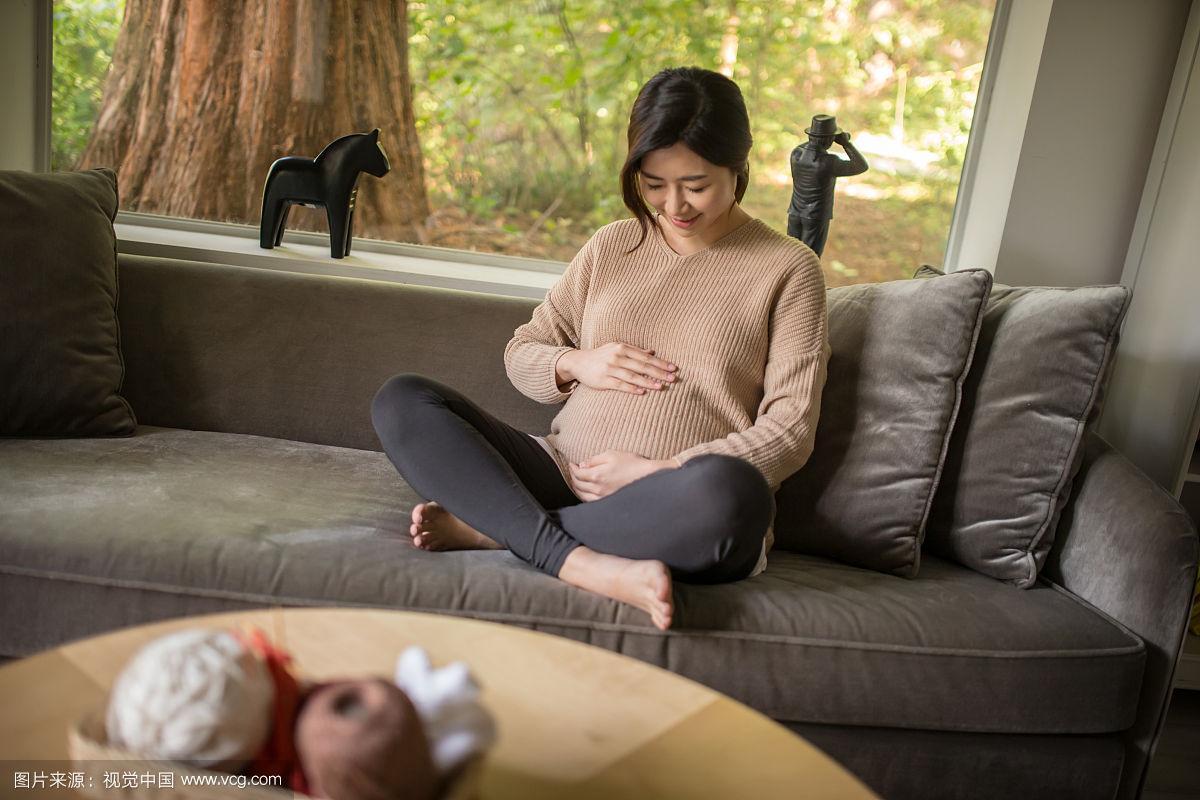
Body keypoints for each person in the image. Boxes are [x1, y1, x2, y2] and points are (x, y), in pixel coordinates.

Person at [371, 66, 830, 631]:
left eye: (697, 184)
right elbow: (524, 350)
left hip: (676, 502)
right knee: (404, 399)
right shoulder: (613, 245)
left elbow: (790, 428)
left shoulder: (787, 268)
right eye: (654, 184)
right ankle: (575, 555)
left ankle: (507, 529)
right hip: (561, 469)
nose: (675, 206)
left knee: (734, 495)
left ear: (739, 168)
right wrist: (575, 362)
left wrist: (660, 470)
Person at [787, 114, 869, 256]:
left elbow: (809, 146)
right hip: (815, 216)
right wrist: (846, 143)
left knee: (790, 255)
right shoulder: (828, 162)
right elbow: (861, 166)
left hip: (795, 213)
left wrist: (821, 136)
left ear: (811, 135)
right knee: (809, 259)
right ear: (829, 139)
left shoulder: (796, 154)